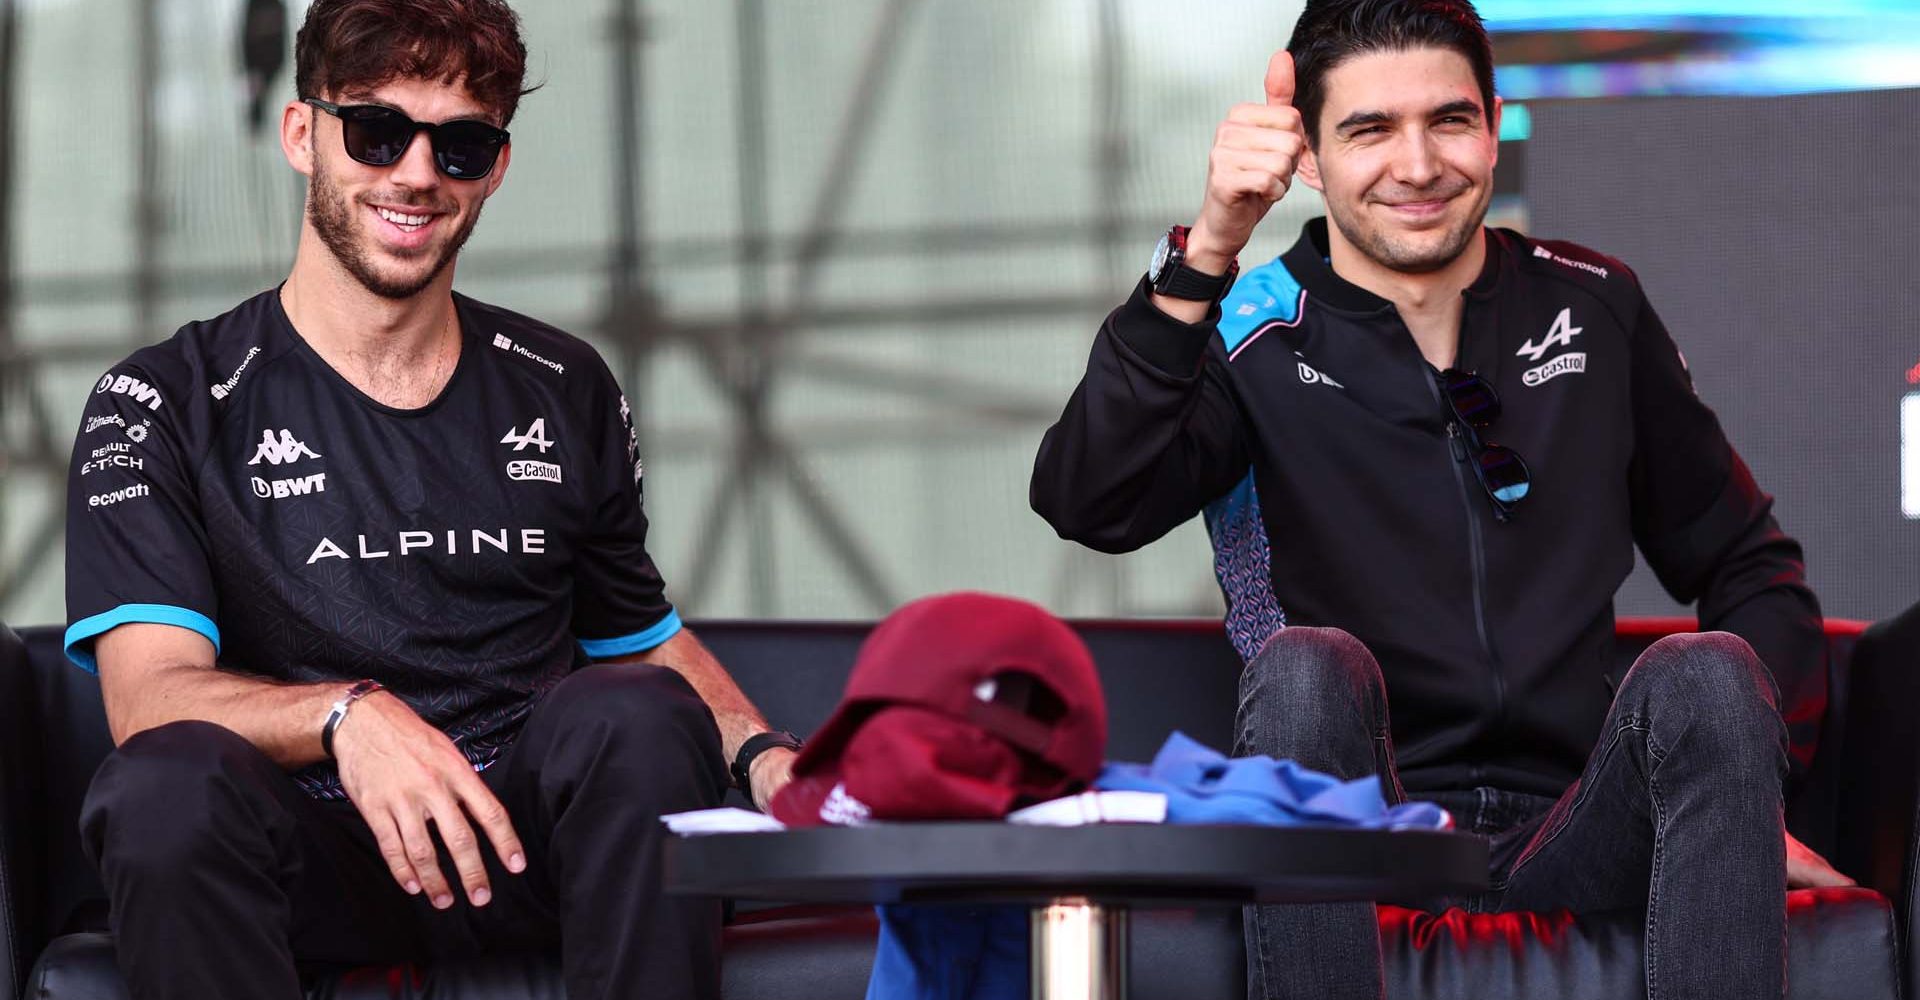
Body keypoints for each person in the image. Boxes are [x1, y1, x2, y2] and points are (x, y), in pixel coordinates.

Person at [1029, 1, 1853, 998]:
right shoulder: (1248, 330)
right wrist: (1207, 248)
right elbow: (1089, 499)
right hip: (1360, 834)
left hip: (1577, 823)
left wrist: (1751, 790)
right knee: (1304, 670)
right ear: (1309, 157)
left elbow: (1746, 563)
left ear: (1497, 121)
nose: (1417, 166)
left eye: (1449, 121)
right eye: (1370, 130)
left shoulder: (1591, 304)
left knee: (1710, 670)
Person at [62, 3, 801, 998]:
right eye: (377, 131)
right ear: (301, 134)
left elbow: (642, 639)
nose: (416, 173)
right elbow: (147, 699)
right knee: (162, 786)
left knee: (639, 714)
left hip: (521, 845)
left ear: (496, 165)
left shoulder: (565, 384)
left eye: (458, 144)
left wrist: (765, 755)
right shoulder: (163, 399)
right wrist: (349, 718)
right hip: (308, 855)